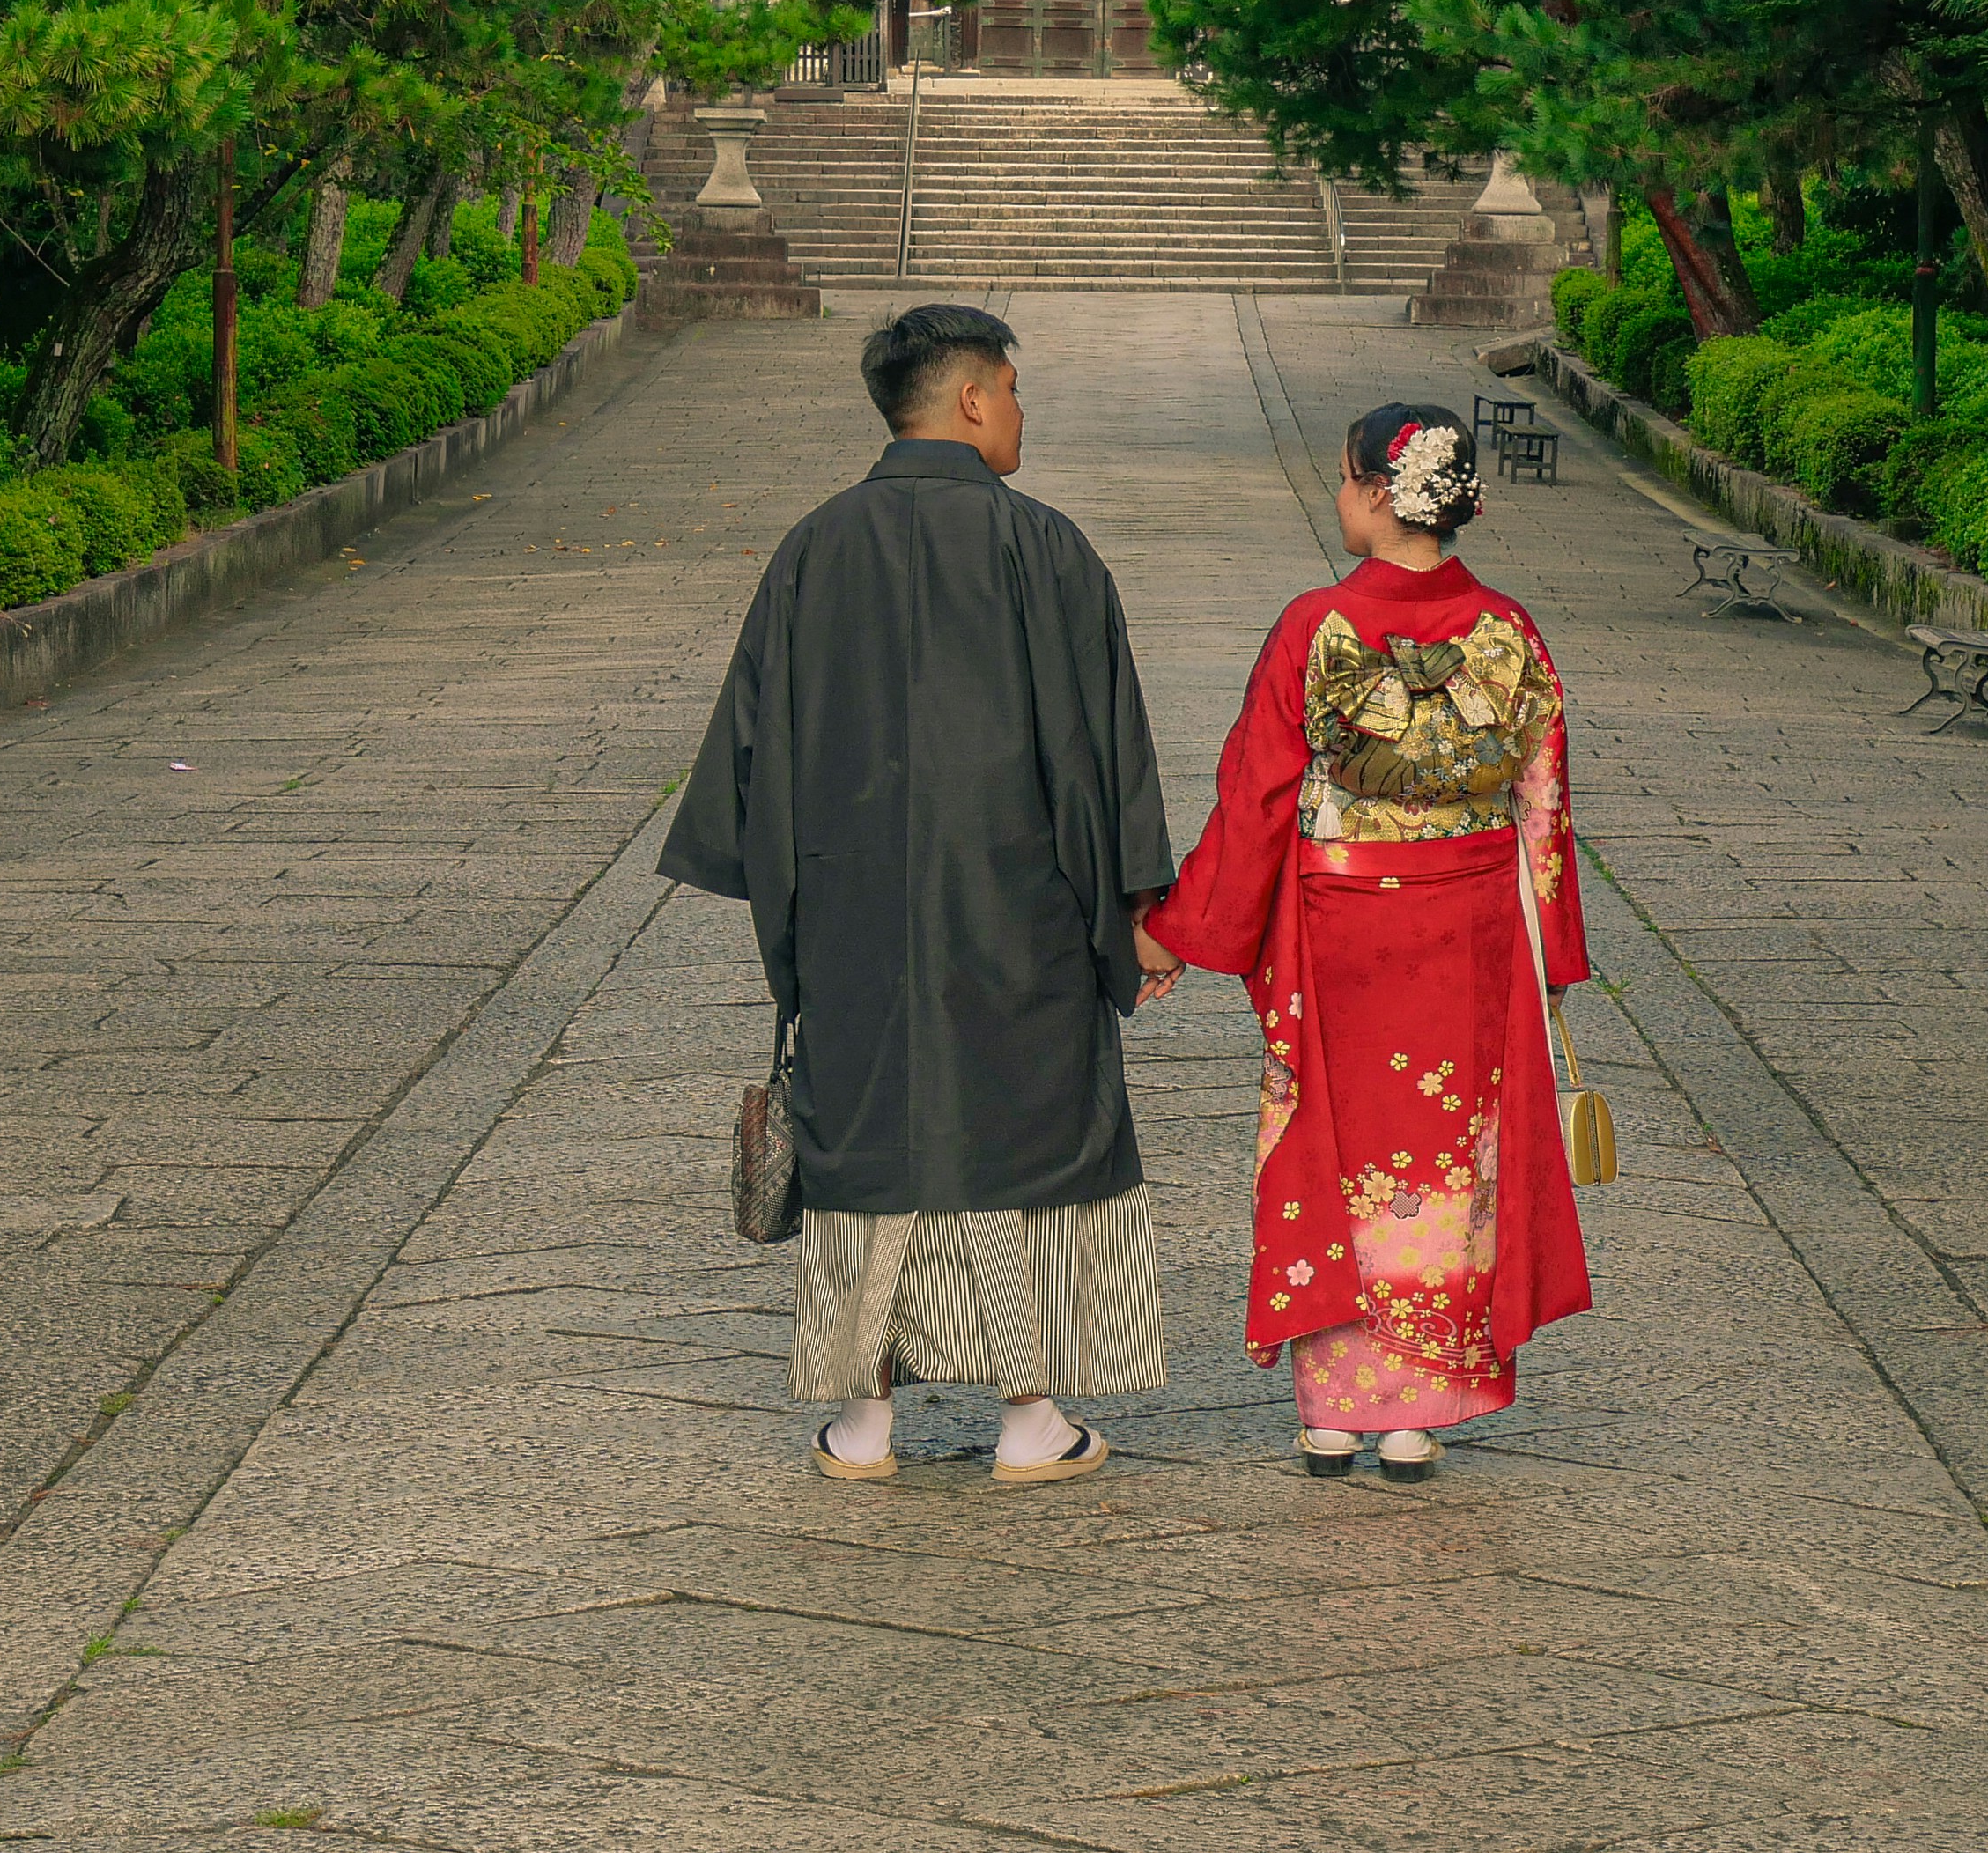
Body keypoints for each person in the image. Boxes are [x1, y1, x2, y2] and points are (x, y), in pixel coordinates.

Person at [666, 303, 1175, 1486]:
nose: (1017, 411)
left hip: (853, 912)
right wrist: (1137, 908)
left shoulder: (814, 548)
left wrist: (793, 902)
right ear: (973, 399)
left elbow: (754, 749)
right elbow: (1103, 752)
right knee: (1022, 1138)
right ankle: (1030, 1417)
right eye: (1012, 389)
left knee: (872, 1138)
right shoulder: (1044, 548)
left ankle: (863, 1418)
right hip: (1023, 908)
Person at [1140, 404, 1594, 1481]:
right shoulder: (1511, 632)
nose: (1339, 494)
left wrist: (1172, 931)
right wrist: (1553, 963)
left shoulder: (1316, 627)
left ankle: (1335, 1408)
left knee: (1337, 1151)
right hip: (1474, 927)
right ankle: (1417, 1411)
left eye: (1344, 478)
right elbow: (1544, 806)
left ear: (1381, 494)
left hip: (1341, 925)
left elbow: (1255, 797)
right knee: (1447, 1163)